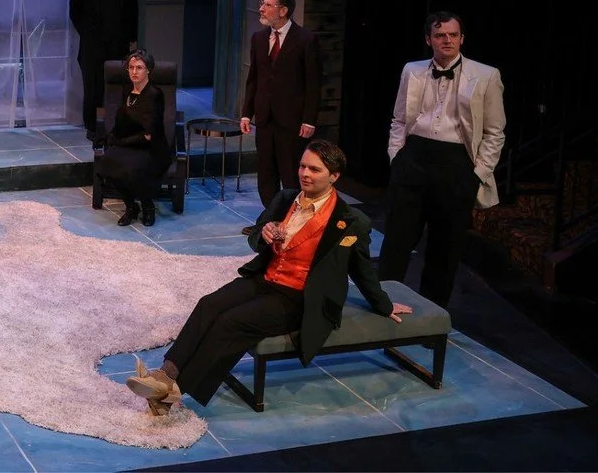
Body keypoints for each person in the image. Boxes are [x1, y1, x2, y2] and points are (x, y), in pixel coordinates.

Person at [125, 140, 411, 415]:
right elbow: (256, 239)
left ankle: (173, 393)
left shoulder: (350, 221)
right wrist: (263, 235)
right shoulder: (286, 199)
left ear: (334, 176)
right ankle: (165, 374)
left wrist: (383, 304)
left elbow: (362, 268)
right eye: (303, 166)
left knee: (231, 322)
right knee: (209, 304)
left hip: (301, 298)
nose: (305, 174)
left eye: (314, 169)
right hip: (266, 279)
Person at [378, 11, 505, 309]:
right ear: (429, 40)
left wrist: (477, 174)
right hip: (414, 158)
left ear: (462, 38)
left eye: (453, 35)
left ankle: (431, 313)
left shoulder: (486, 75)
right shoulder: (412, 70)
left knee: (445, 247)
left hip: (456, 163)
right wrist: (397, 157)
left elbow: (494, 132)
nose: (447, 40)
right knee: (397, 240)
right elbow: (399, 119)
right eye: (440, 35)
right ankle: (382, 305)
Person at [238, 0, 321, 236]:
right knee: (266, 172)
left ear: (283, 10)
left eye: (267, 5)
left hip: (291, 120)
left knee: (290, 172)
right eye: (262, 3)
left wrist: (309, 119)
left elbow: (313, 83)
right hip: (265, 117)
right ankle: (270, 220)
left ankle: (293, 223)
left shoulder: (305, 39)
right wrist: (246, 113)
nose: (261, 9)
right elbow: (254, 79)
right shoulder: (258, 38)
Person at [93, 50, 174, 227]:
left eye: (139, 68)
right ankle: (131, 206)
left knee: (132, 168)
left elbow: (149, 134)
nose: (134, 72)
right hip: (130, 143)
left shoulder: (154, 94)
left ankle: (147, 205)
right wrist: (111, 138)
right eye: (131, 67)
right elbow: (122, 121)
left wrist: (120, 142)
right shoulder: (127, 90)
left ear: (148, 70)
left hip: (151, 147)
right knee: (107, 164)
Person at [69, 0, 138, 138]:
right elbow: (75, 13)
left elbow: (133, 9)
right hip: (93, 45)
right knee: (93, 86)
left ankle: (117, 124)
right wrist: (90, 35)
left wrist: (131, 37)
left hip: (119, 43)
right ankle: (93, 127)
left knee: (118, 85)